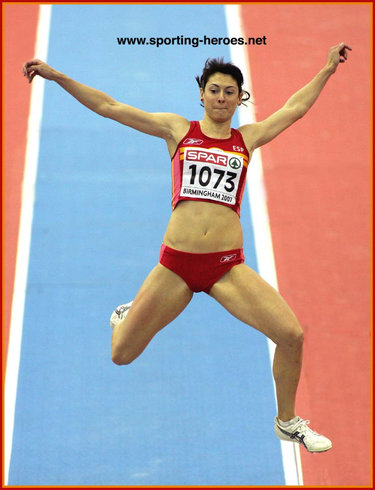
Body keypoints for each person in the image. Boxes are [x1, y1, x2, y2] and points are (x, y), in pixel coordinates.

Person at [23, 42, 351, 453]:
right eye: (214, 90)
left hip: (226, 267)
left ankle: (287, 422)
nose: (220, 97)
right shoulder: (178, 131)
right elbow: (110, 106)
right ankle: (124, 317)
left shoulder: (246, 139)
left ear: (239, 98)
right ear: (201, 93)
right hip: (176, 267)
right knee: (121, 355)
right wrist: (58, 77)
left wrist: (326, 69)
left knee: (291, 335)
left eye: (229, 92)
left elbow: (294, 109)